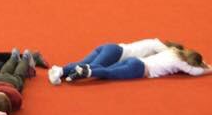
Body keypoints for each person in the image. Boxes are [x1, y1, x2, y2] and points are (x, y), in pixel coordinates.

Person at [53, 43, 211, 84]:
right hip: (139, 69)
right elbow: (195, 72)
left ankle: (76, 73)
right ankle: (87, 71)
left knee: (106, 68)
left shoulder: (172, 51)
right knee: (108, 73)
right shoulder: (181, 63)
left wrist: (200, 60)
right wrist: (207, 68)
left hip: (135, 61)